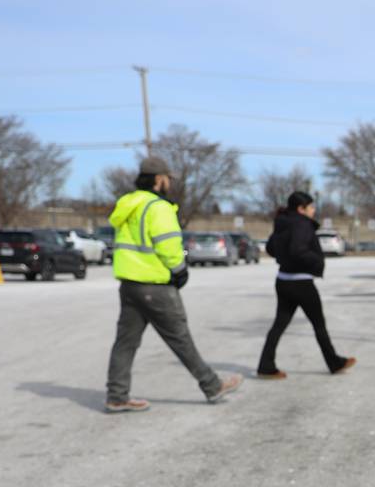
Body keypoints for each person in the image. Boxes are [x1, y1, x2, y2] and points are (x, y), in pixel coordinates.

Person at [104, 155, 242, 412]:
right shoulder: (158, 207)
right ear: (158, 180)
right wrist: (179, 270)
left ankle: (117, 395)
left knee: (125, 342)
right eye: (167, 178)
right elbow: (167, 244)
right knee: (180, 338)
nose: (169, 183)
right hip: (155, 284)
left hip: (129, 284)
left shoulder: (128, 205)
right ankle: (212, 385)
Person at [257, 191, 355, 379]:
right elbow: (298, 250)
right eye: (311, 207)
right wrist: (317, 261)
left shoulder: (282, 222)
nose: (313, 210)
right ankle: (334, 362)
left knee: (279, 325)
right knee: (319, 324)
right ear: (301, 209)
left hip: (283, 280)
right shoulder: (301, 224)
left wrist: (284, 257)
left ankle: (265, 365)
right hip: (301, 283)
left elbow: (270, 248)